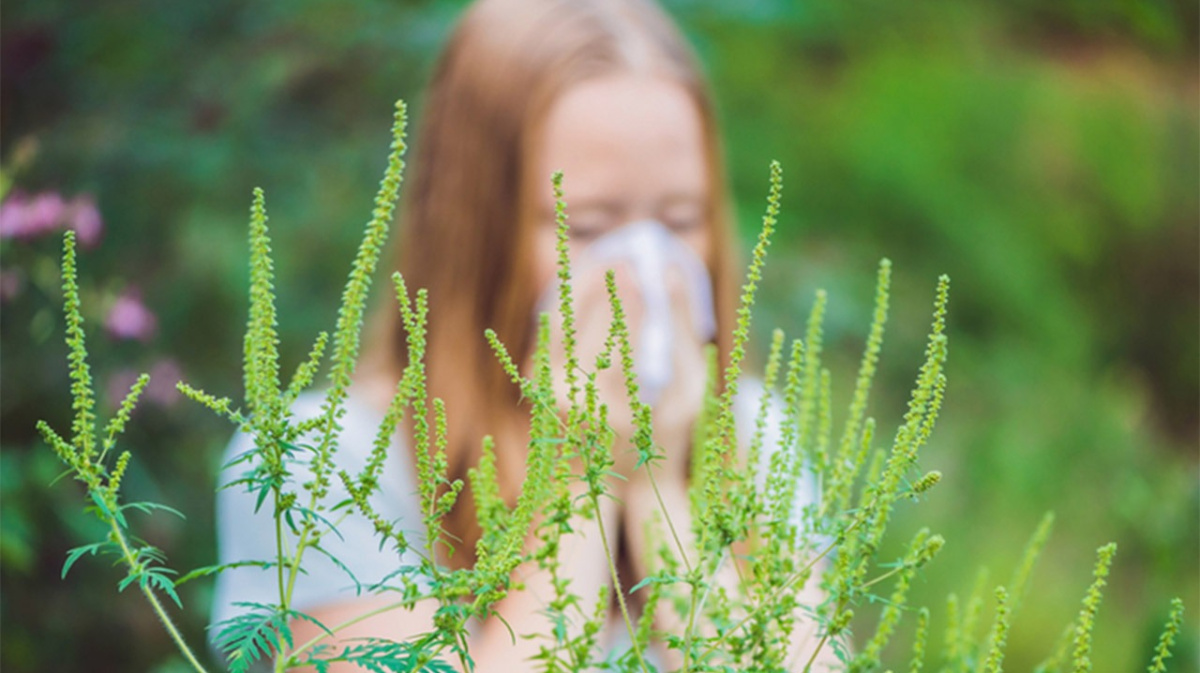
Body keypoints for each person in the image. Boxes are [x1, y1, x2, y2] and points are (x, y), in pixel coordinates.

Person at [212, 0, 834, 670]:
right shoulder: (321, 463)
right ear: (475, 231)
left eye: (680, 219)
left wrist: (658, 480)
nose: (642, 267)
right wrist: (579, 473)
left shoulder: (755, 432)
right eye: (590, 228)